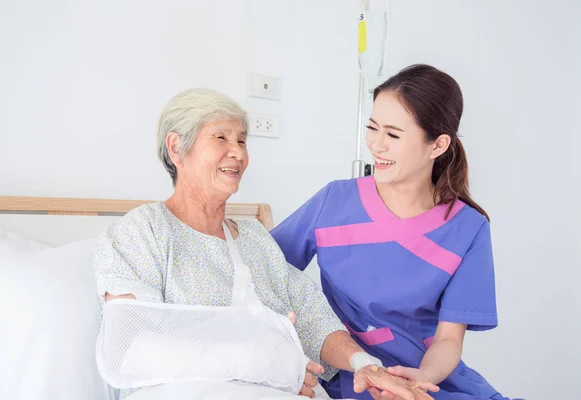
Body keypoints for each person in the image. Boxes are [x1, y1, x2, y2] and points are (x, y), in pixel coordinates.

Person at [93, 88, 438, 400]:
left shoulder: (255, 239)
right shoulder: (143, 231)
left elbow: (310, 315)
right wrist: (263, 362)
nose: (237, 153)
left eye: (242, 141)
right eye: (221, 138)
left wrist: (366, 365)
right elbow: (131, 348)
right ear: (176, 148)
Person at [270, 64, 509, 400]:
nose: (377, 145)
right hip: (351, 376)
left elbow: (448, 340)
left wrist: (421, 379)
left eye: (393, 135)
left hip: (427, 379)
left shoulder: (468, 228)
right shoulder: (334, 202)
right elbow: (263, 267)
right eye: (372, 128)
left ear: (437, 145)